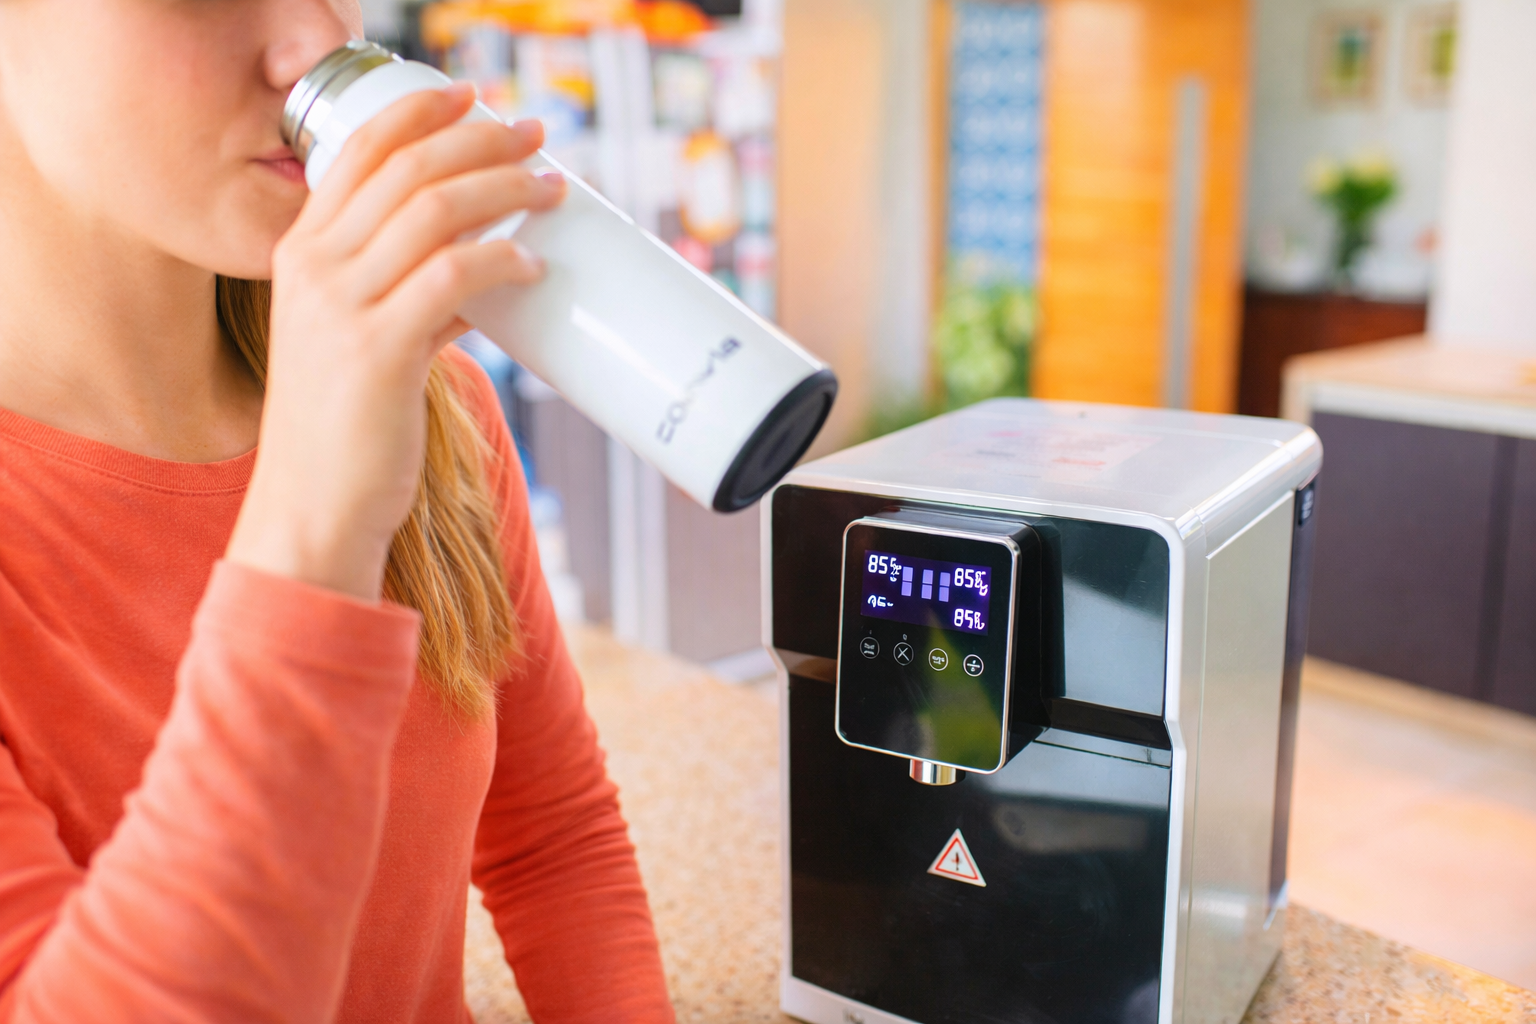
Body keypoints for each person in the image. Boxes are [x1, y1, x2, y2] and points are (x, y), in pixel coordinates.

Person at [0, 2, 673, 1021]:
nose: (319, 40)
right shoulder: (355, 436)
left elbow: (553, 837)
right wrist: (313, 529)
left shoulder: (434, 407)